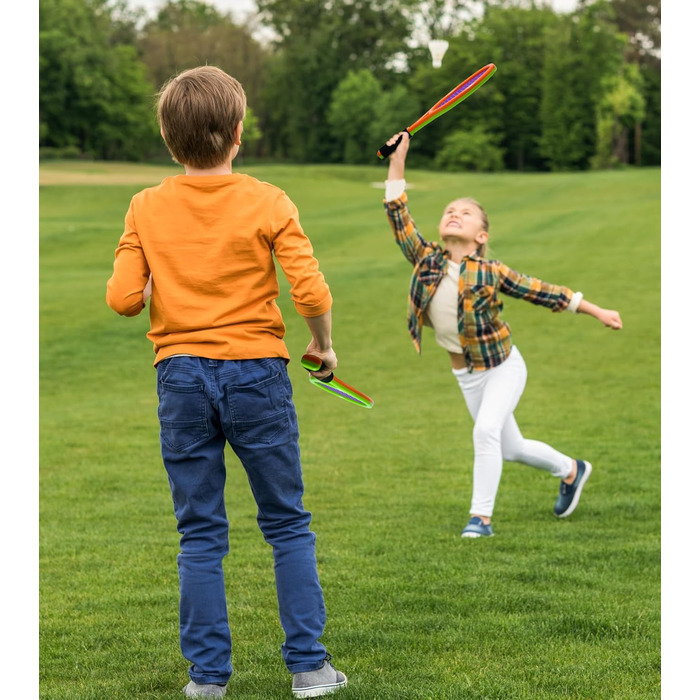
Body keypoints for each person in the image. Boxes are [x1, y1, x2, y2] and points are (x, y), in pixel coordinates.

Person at [106, 66, 347, 699]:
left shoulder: (145, 206)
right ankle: (309, 668)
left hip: (180, 377)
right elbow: (311, 290)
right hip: (258, 375)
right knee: (287, 524)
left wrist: (166, 279)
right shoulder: (268, 199)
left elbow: (123, 299)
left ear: (168, 137)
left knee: (201, 531)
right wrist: (321, 345)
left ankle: (208, 679)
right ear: (238, 134)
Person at [381, 132, 622, 539]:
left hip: (503, 367)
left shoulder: (492, 272)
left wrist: (596, 310)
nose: (455, 214)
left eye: (466, 213)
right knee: (510, 447)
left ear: (482, 235)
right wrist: (398, 158)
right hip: (466, 375)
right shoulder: (425, 258)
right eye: (449, 211)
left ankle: (481, 520)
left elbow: (544, 292)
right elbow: (397, 210)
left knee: (485, 432)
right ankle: (572, 470)